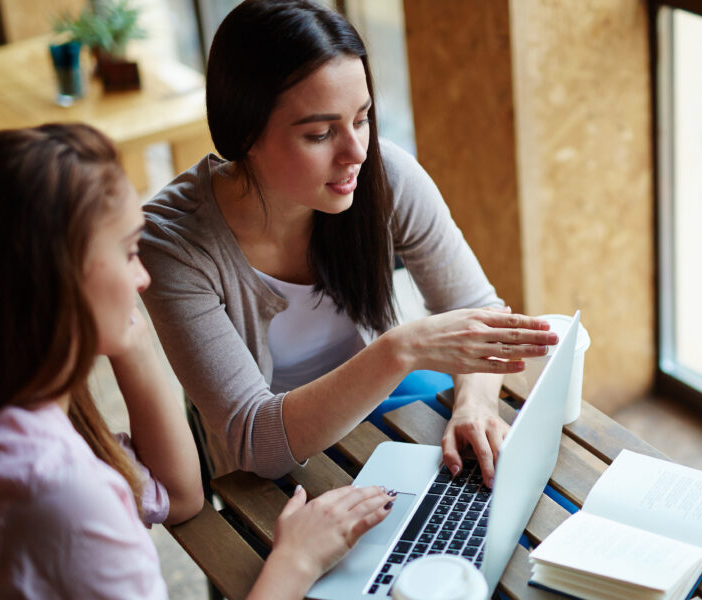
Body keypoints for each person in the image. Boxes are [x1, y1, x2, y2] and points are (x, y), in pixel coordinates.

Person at [0, 124, 392, 598]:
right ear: (57, 281)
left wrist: (127, 336)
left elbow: (178, 496)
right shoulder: (58, 491)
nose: (143, 278)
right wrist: (296, 561)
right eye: (129, 251)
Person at [140, 0, 556, 489]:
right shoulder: (174, 243)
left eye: (362, 118)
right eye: (320, 133)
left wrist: (476, 405)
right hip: (272, 463)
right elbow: (256, 441)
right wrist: (401, 349)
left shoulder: (384, 173)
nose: (357, 152)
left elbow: (476, 307)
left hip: (384, 400)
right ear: (244, 132)